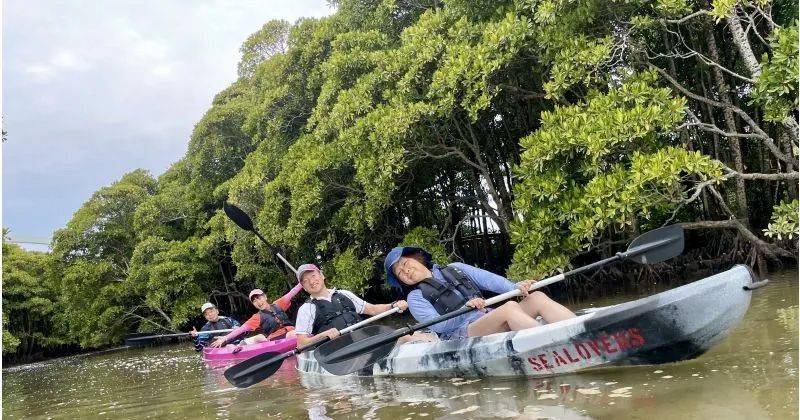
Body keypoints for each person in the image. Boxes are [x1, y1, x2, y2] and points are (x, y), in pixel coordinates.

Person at [384, 246, 575, 340]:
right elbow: (439, 327)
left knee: (537, 297)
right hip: (458, 334)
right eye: (399, 273)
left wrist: (516, 287)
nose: (405, 271)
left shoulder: (455, 268)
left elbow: (490, 280)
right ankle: (551, 342)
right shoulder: (415, 297)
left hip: (487, 316)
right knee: (509, 308)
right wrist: (466, 309)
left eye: (405, 263)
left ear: (417, 259)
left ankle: (578, 330)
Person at [293, 263, 435, 347]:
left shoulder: (344, 294)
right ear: (304, 287)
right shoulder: (307, 309)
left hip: (364, 339)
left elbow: (371, 309)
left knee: (412, 333)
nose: (311, 281)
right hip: (340, 349)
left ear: (322, 275)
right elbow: (301, 343)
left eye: (313, 276)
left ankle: (438, 344)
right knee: (405, 337)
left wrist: (393, 306)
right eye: (305, 281)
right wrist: (323, 335)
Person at [210, 282, 303, 348]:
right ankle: (247, 343)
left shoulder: (278, 304)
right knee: (291, 334)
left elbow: (292, 292)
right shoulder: (257, 317)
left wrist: (302, 281)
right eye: (254, 301)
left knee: (295, 332)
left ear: (265, 297)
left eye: (259, 298)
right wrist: (225, 338)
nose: (258, 302)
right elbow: (240, 329)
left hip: (291, 332)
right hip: (276, 339)